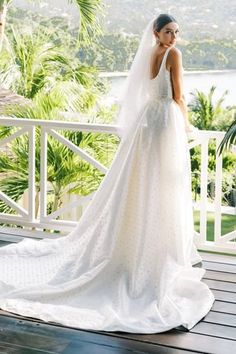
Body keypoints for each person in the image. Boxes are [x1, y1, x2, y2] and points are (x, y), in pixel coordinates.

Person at [0, 14, 215, 333]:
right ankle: (153, 255)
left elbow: (147, 90)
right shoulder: (173, 55)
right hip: (166, 122)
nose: (174, 36)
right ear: (156, 33)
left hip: (148, 121)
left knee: (146, 184)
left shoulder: (151, 53)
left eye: (176, 32)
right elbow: (178, 96)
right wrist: (187, 125)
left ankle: (139, 248)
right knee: (164, 185)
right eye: (168, 31)